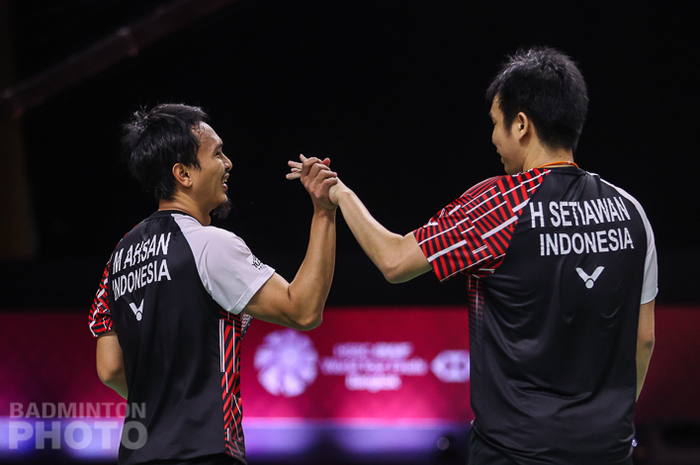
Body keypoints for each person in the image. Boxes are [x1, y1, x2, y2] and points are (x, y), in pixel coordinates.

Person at [289, 47, 657, 464]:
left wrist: (338, 193)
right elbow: (643, 339)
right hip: (607, 450)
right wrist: (611, 428)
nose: (494, 139)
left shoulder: (500, 202)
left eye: (496, 125)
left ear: (521, 125)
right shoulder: (630, 211)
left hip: (514, 452)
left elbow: (395, 261)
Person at [89, 103, 338, 465]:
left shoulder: (120, 256)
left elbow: (109, 367)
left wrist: (163, 410)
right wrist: (323, 213)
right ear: (184, 174)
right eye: (217, 153)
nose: (228, 163)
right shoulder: (208, 243)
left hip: (138, 453)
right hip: (204, 449)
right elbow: (302, 309)